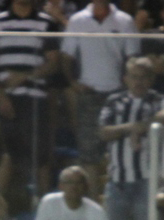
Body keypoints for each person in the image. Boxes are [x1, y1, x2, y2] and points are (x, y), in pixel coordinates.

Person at [0, 0, 60, 208]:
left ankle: (44, 207)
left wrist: (24, 76)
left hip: (36, 98)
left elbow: (53, 62)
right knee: (6, 155)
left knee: (41, 155)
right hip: (6, 98)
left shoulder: (47, 22)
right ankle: (0, 209)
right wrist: (0, 96)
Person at [60, 0, 139, 198]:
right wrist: (73, 82)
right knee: (89, 155)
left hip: (118, 97)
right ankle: (94, 203)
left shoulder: (125, 20)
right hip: (88, 95)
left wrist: (126, 87)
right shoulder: (77, 20)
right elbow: (66, 55)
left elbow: (133, 57)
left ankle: (117, 202)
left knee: (121, 153)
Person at [98, 57, 164, 220]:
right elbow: (104, 132)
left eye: (144, 77)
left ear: (151, 79)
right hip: (117, 179)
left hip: (147, 180)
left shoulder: (157, 100)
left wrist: (139, 127)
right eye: (134, 77)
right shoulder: (114, 101)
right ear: (125, 78)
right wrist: (132, 128)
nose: (139, 82)